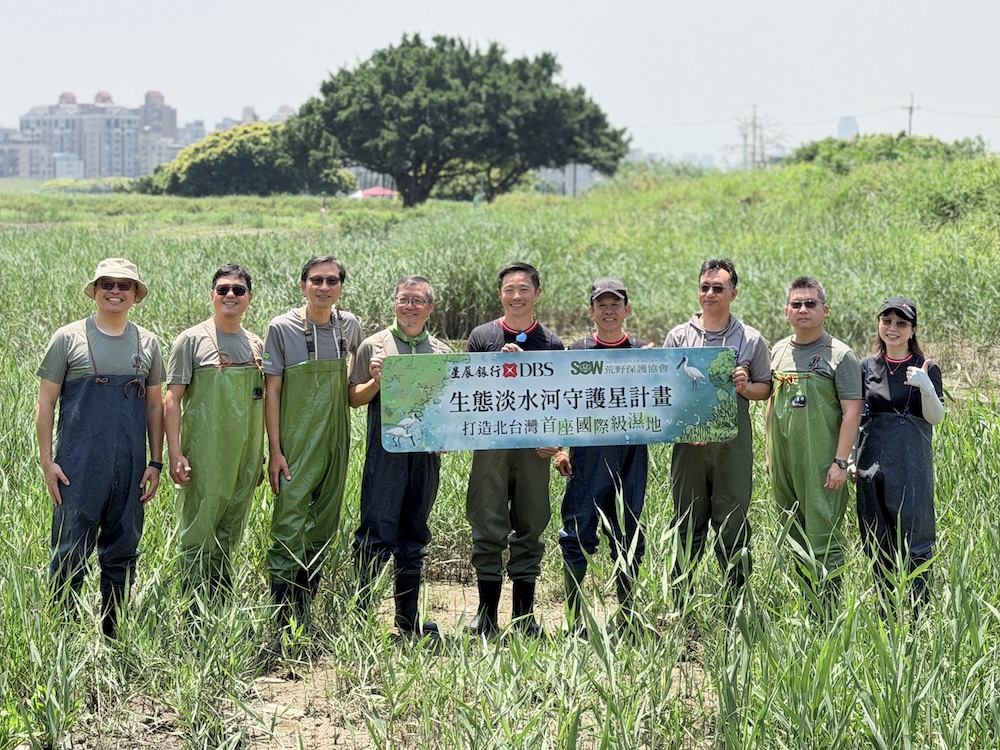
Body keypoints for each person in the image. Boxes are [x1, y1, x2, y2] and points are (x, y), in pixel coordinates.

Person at [36, 258, 165, 638]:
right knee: (68, 556)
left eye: (124, 285)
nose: (115, 290)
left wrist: (155, 461)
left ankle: (114, 637)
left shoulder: (148, 343)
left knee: (122, 553)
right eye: (107, 283)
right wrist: (47, 463)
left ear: (135, 295)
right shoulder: (68, 338)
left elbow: (156, 405)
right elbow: (44, 403)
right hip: (77, 468)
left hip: (129, 467)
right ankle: (63, 640)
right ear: (94, 290)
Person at [263, 256, 363, 634]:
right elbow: (272, 392)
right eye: (316, 280)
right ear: (302, 284)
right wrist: (275, 450)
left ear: (340, 286)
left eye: (332, 281)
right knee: (289, 519)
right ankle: (280, 612)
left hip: (336, 437)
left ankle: (305, 607)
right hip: (295, 438)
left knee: (325, 520)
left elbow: (358, 377)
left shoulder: (348, 325)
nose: (324, 287)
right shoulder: (281, 327)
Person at [465, 262, 564, 637]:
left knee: (531, 522)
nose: (517, 296)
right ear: (500, 294)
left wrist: (557, 442)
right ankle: (485, 615)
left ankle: (524, 617)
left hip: (534, 446)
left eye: (524, 289)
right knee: (486, 521)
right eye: (510, 289)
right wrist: (498, 367)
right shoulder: (481, 336)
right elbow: (465, 393)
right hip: (489, 443)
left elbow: (560, 397)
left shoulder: (551, 343)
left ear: (538, 294)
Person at [349, 276, 451, 637]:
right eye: (404, 299)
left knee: (414, 533)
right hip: (385, 453)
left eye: (418, 301)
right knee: (375, 531)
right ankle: (358, 620)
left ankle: (406, 622)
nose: (410, 306)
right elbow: (353, 398)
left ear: (430, 308)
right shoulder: (373, 346)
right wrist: (376, 381)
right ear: (394, 302)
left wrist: (447, 436)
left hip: (425, 456)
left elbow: (448, 408)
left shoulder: (440, 352)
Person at [663, 259, 771, 597]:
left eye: (718, 288)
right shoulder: (679, 336)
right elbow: (665, 391)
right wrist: (684, 429)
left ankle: (735, 604)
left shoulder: (751, 340)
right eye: (704, 287)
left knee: (733, 524)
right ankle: (682, 604)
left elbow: (765, 389)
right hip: (688, 448)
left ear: (733, 294)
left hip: (731, 447)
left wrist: (744, 385)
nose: (710, 293)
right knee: (686, 525)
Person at [553, 278, 650, 636]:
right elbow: (559, 399)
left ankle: (627, 616)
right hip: (588, 453)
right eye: (601, 305)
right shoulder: (576, 350)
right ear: (591, 311)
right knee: (577, 532)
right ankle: (573, 620)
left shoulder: (644, 351)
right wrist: (561, 447)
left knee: (629, 531)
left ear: (627, 310)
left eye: (615, 304)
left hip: (631, 452)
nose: (609, 311)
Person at [164, 264, 265, 598]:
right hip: (204, 452)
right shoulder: (191, 340)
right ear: (212, 295)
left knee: (232, 527)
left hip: (246, 455)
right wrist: (175, 452)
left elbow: (261, 402)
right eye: (223, 289)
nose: (230, 295)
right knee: (199, 528)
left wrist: (260, 455)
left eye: (238, 290)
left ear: (249, 298)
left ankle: (220, 601)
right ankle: (193, 609)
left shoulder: (256, 344)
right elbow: (172, 399)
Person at [766, 276, 862, 605]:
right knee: (793, 534)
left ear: (825, 310)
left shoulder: (841, 355)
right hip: (784, 464)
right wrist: (769, 456)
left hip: (822, 464)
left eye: (810, 304)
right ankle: (809, 611)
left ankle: (829, 616)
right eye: (796, 304)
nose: (803, 309)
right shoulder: (778, 351)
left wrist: (840, 462)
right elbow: (770, 405)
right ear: (786, 311)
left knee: (824, 539)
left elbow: (853, 412)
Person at [854, 297, 944, 613]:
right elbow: (855, 417)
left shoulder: (926, 367)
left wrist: (926, 388)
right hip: (870, 463)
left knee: (915, 536)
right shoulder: (866, 366)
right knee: (877, 536)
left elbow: (935, 417)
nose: (892, 328)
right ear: (879, 323)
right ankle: (886, 613)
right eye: (887, 320)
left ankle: (918, 615)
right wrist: (852, 459)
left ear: (912, 330)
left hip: (911, 462)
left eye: (901, 323)